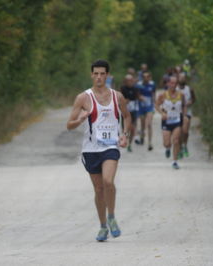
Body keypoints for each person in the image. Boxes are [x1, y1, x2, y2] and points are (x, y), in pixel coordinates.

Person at [66, 59, 131, 242]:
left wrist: (125, 134)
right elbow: (69, 125)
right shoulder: (83, 98)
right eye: (96, 73)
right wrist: (80, 119)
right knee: (98, 189)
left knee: (108, 181)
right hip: (90, 149)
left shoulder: (117, 97)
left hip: (110, 146)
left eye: (103, 73)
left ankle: (111, 217)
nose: (99, 77)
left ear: (108, 76)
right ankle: (103, 226)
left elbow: (127, 116)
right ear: (91, 75)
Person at [155, 76, 187, 169]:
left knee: (176, 141)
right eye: (172, 83)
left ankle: (175, 161)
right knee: (166, 143)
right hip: (166, 121)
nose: (173, 85)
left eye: (175, 83)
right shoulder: (163, 95)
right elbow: (156, 105)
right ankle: (168, 148)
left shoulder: (181, 95)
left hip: (177, 120)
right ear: (168, 84)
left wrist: (184, 116)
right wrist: (162, 113)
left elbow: (184, 106)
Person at [136, 71, 156, 150]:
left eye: (147, 77)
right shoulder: (139, 85)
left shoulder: (152, 84)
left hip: (149, 107)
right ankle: (142, 137)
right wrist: (140, 97)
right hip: (141, 107)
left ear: (150, 77)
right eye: (144, 77)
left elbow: (154, 94)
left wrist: (154, 103)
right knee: (142, 124)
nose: (146, 78)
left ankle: (150, 143)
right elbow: (136, 94)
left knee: (149, 124)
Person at [177, 73, 196, 157]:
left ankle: (185, 145)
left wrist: (190, 102)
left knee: (185, 131)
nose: (182, 79)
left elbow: (194, 99)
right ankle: (180, 148)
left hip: (187, 112)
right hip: (177, 114)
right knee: (179, 132)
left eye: (183, 78)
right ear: (178, 79)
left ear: (185, 79)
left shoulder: (189, 89)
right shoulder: (175, 89)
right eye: (180, 78)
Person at [120, 74, 140, 152]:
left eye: (131, 80)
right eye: (128, 81)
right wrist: (124, 101)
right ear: (125, 81)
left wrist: (141, 98)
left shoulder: (136, 89)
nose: (130, 82)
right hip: (124, 112)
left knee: (132, 128)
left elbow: (138, 97)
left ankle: (130, 144)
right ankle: (125, 139)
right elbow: (119, 99)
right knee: (125, 128)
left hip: (133, 110)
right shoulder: (122, 88)